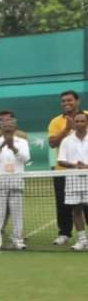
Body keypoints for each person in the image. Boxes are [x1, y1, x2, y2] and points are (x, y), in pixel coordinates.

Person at [47, 91, 88, 246]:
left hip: (86, 172)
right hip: (63, 171)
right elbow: (52, 144)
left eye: (69, 100)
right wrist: (66, 129)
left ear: (77, 101)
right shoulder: (56, 121)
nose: (66, 103)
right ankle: (64, 233)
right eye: (63, 101)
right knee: (64, 204)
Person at [0, 118, 29, 250]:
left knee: (17, 213)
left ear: (15, 127)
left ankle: (17, 240)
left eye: (11, 126)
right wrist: (2, 145)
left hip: (16, 181)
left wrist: (13, 147)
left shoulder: (22, 141)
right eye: (5, 126)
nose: (8, 128)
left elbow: (26, 158)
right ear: (1, 127)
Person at [56, 112, 88, 250]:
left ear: (87, 122)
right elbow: (61, 160)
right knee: (76, 210)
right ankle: (82, 240)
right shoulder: (66, 140)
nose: (80, 123)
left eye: (82, 121)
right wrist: (75, 165)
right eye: (77, 121)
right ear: (73, 123)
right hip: (73, 180)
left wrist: (86, 167)